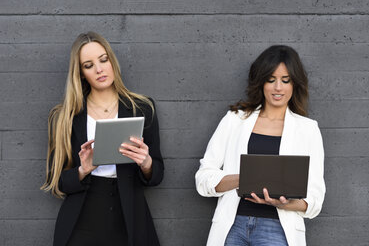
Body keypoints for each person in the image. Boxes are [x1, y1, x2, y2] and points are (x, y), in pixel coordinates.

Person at [41, 31, 164, 246]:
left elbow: (158, 175)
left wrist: (146, 163)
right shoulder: (66, 116)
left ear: (112, 61)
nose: (99, 69)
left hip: (129, 215)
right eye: (88, 65)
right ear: (80, 73)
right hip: (82, 217)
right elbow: (57, 182)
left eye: (103, 60)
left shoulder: (142, 108)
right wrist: (83, 169)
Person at [195, 45, 325, 246]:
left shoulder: (308, 129)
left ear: (295, 84)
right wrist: (244, 179)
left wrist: (285, 203)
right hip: (232, 227)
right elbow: (203, 179)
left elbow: (315, 200)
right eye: (271, 80)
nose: (278, 88)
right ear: (261, 83)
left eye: (285, 80)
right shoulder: (235, 120)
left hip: (277, 229)